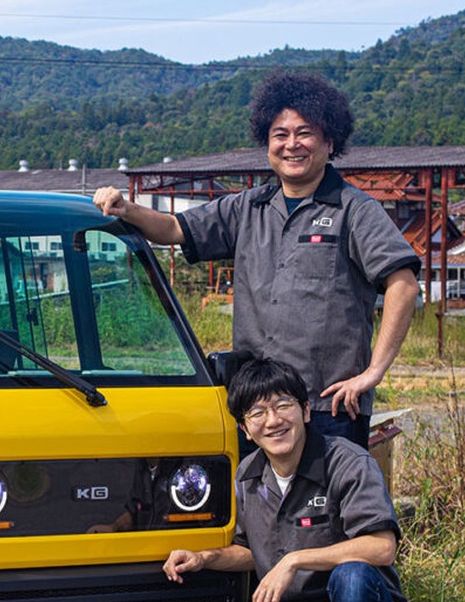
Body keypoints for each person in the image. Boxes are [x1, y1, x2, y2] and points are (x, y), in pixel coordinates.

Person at [94, 71, 421, 449]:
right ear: (267, 144)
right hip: (257, 407)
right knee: (255, 506)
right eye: (280, 135)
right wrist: (126, 208)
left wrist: (373, 373)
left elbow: (403, 284)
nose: (291, 145)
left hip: (329, 407)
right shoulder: (248, 207)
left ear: (330, 142)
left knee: (326, 509)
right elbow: (171, 228)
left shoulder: (356, 210)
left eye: (305, 133)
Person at [163, 358, 414, 602]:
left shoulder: (346, 461)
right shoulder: (249, 475)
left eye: (282, 405)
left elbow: (381, 547)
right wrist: (203, 557)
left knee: (352, 576)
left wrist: (295, 560)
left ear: (305, 410)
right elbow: (252, 549)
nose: (272, 420)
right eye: (257, 412)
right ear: (245, 428)